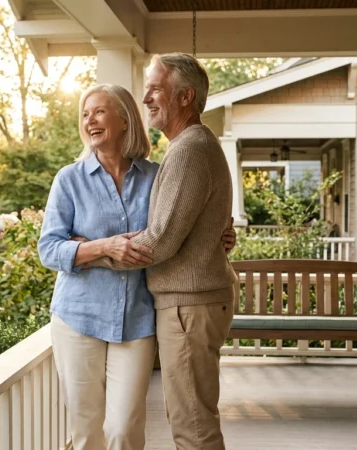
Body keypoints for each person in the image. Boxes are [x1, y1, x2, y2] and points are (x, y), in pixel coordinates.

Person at [37, 83, 235, 450]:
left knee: (124, 430)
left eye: (98, 111)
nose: (89, 121)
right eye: (84, 114)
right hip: (78, 317)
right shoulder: (69, 179)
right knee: (86, 432)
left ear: (125, 119)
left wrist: (218, 234)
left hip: (137, 319)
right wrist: (103, 246)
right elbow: (49, 249)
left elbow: (177, 228)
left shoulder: (156, 175)